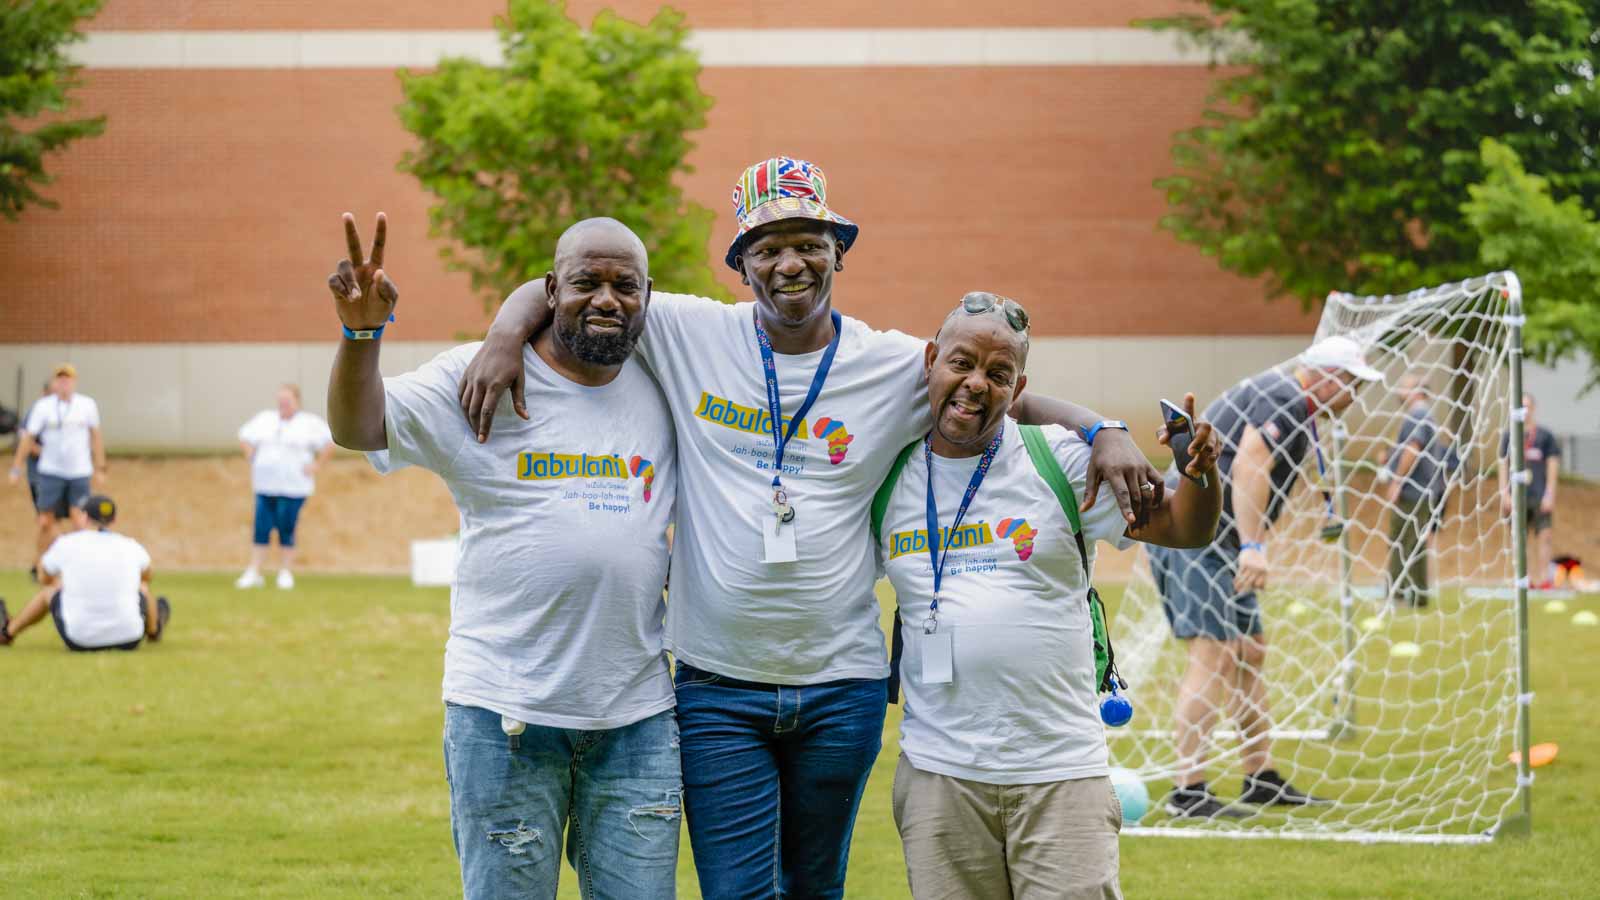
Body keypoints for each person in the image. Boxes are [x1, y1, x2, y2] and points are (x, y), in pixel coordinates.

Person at [459, 156, 1166, 898]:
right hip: (717, 688)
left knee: (815, 889)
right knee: (737, 893)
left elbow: (997, 392)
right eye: (767, 248)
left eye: (809, 243)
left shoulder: (894, 364)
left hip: (841, 686)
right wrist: (507, 333)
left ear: (839, 254)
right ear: (741, 266)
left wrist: (1106, 428)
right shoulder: (689, 332)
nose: (789, 262)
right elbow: (579, 280)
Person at [325, 213, 682, 899]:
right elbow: (358, 427)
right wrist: (361, 334)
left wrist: (508, 322)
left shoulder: (667, 377)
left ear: (647, 295)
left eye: (624, 285)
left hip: (636, 719)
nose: (607, 299)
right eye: (585, 283)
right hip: (504, 718)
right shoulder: (478, 376)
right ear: (551, 289)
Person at [875, 293, 1223, 900]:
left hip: (1059, 774)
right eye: (961, 363)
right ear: (931, 360)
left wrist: (1197, 474)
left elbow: (1184, 528)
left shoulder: (1061, 461)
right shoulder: (887, 476)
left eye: (998, 374)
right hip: (939, 777)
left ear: (1019, 387)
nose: (976, 384)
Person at [1147, 335, 1382, 819]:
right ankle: (1188, 791)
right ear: (1328, 377)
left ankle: (1260, 777)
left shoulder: (1291, 400)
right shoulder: (1286, 397)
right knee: (1212, 655)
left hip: (1222, 541)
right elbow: (1254, 460)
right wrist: (1254, 546)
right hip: (1200, 536)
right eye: (1353, 384)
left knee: (1251, 650)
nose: (1356, 396)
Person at [0, 495, 169, 651]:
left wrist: (61, 584)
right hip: (130, 639)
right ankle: (153, 631)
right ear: (114, 520)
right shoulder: (130, 545)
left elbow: (43, 577)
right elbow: (147, 576)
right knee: (143, 588)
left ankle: (8, 632)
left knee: (49, 592)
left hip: (79, 639)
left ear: (84, 517)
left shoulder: (67, 543)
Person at [235, 384, 335, 590]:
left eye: (287, 400)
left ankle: (285, 571)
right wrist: (250, 454)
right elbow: (244, 436)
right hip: (265, 485)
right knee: (261, 528)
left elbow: (329, 442)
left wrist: (317, 465)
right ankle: (254, 571)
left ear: (297, 401)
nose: (283, 404)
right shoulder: (265, 419)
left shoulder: (309, 423)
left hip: (293, 488)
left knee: (286, 528)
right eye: (280, 400)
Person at [8, 364, 106, 573]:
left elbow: (96, 437)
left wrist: (100, 467)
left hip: (79, 471)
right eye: (60, 379)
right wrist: (16, 467)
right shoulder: (43, 407)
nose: (64, 384)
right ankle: (41, 567)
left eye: (68, 379)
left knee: (79, 520)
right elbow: (28, 438)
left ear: (74, 382)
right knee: (45, 521)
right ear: (54, 383)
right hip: (50, 472)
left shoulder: (86, 405)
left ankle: (77, 566)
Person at [1380, 374, 1458, 607]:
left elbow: (1414, 448)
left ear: (1417, 391)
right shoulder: (1424, 415)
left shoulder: (1418, 414)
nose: (1398, 392)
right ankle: (1418, 595)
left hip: (1414, 491)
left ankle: (1398, 595)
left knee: (1402, 542)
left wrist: (1396, 481)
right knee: (1415, 542)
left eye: (1403, 387)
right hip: (1423, 491)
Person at [1498, 392, 1560, 590]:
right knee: (1519, 539)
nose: (1524, 412)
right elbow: (1503, 464)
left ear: (1533, 409)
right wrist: (1504, 494)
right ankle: (1523, 578)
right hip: (1517, 497)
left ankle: (1543, 578)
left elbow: (1552, 465)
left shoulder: (1545, 436)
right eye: (1520, 407)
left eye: (1527, 407)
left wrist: (1549, 494)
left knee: (1544, 536)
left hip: (1539, 494)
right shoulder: (1509, 436)